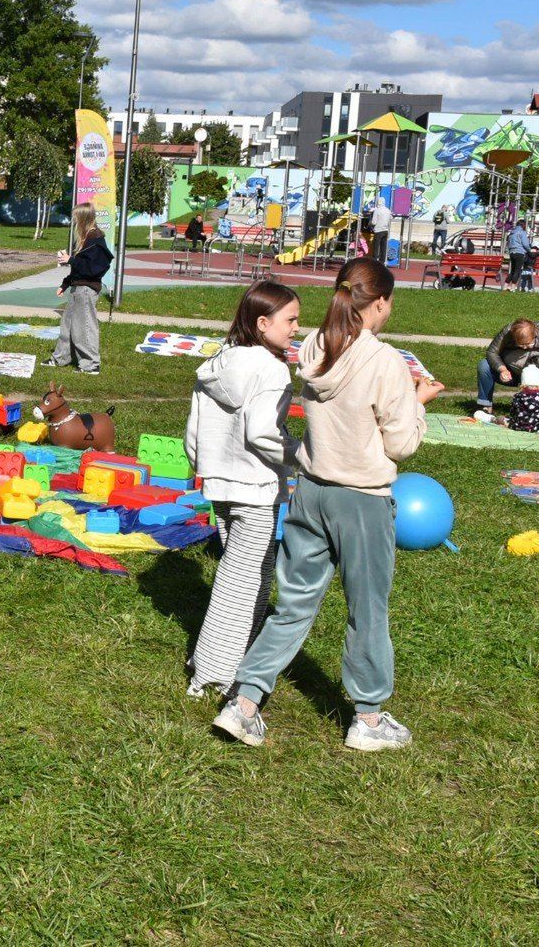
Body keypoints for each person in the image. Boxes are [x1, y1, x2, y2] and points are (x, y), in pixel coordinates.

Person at [214, 258, 444, 752]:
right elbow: (401, 444)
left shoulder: (316, 344)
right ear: (380, 302)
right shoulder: (384, 362)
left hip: (311, 492)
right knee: (367, 610)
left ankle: (244, 703)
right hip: (361, 501)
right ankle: (369, 718)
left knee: (293, 606)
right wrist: (418, 404)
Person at [184, 281, 301, 698]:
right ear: (263, 322)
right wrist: (300, 454)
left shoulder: (220, 360)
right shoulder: (270, 368)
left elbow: (194, 431)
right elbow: (263, 433)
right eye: (290, 320)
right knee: (244, 582)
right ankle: (217, 673)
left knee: (246, 573)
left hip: (221, 485)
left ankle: (215, 661)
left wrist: (205, 469)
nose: (296, 328)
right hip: (255, 487)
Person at [45, 204, 112, 375]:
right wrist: (65, 283)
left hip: (87, 290)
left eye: (76, 217)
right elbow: (79, 268)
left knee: (84, 327)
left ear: (83, 218)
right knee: (67, 325)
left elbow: (93, 269)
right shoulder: (85, 237)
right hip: (77, 288)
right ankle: (61, 358)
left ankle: (91, 365)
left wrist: (71, 260)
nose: (73, 220)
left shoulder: (95, 239)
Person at [476, 318, 539, 417]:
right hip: (511, 371)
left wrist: (530, 389)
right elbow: (492, 352)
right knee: (484, 365)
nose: (524, 348)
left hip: (534, 377)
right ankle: (486, 406)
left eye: (527, 344)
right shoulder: (507, 333)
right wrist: (502, 370)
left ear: (534, 335)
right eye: (520, 344)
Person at [506, 219, 532, 291]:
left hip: (512, 252)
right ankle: (513, 287)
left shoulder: (512, 232)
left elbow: (508, 243)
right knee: (517, 271)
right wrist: (529, 249)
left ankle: (505, 286)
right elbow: (525, 244)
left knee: (512, 270)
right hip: (519, 252)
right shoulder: (522, 232)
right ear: (523, 225)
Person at [370, 198, 393, 264]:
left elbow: (374, 222)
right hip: (386, 230)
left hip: (378, 230)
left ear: (378, 202)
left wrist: (370, 222)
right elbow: (390, 218)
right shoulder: (388, 210)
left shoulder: (377, 210)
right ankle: (382, 262)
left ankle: (374, 262)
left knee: (376, 247)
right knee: (383, 247)